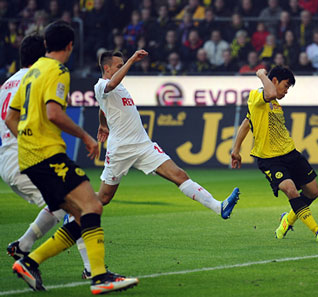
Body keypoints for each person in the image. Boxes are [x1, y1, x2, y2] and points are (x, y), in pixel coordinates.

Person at [5, 21, 138, 294]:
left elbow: (11, 118)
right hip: (47, 154)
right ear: (70, 46)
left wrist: (28, 141)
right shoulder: (57, 70)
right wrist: (86, 137)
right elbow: (54, 113)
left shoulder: (31, 73)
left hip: (27, 156)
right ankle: (99, 277)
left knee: (79, 214)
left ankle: (30, 261)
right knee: (92, 204)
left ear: (46, 45)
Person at [94, 50, 239, 219]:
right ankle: (73, 211)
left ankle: (219, 207)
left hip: (143, 145)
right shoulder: (100, 86)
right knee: (104, 198)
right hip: (120, 148)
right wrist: (132, 60)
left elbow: (103, 107)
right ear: (107, 68)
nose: (122, 68)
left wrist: (103, 124)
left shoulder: (118, 87)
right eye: (119, 66)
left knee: (179, 175)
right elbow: (108, 88)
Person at [230, 67, 318, 243]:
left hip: (290, 154)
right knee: (291, 190)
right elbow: (267, 94)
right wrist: (262, 74)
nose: (285, 91)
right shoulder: (257, 95)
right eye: (285, 86)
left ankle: (288, 219)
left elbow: (247, 122)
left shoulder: (274, 103)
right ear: (274, 80)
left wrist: (236, 149)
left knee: (313, 192)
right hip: (270, 160)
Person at [1, 34, 66, 261]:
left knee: (61, 205)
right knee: (72, 206)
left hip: (6, 160)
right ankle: (92, 270)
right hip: (24, 157)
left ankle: (23, 245)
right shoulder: (35, 79)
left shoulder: (6, 85)